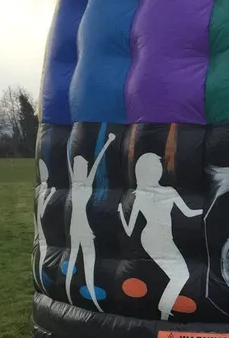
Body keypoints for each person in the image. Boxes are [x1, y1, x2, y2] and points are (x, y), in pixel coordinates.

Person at [118, 152, 206, 320]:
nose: (158, 170)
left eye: (158, 166)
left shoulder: (163, 192)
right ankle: (164, 309)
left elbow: (188, 213)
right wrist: (122, 215)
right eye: (155, 167)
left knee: (179, 275)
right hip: (154, 239)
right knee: (181, 275)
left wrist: (208, 209)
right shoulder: (143, 195)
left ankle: (164, 308)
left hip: (161, 238)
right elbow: (130, 230)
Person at [65, 132, 116, 311]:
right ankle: (92, 296)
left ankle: (68, 291)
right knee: (88, 260)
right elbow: (97, 161)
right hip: (84, 227)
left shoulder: (76, 181)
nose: (87, 167)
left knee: (74, 258)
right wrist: (108, 142)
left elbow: (89, 160)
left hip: (76, 226)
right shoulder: (85, 182)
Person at [33, 159, 55, 291]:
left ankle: (44, 276)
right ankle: (44, 276)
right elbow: (42, 211)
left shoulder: (42, 191)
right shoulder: (43, 193)